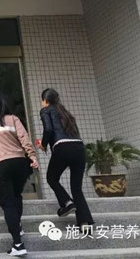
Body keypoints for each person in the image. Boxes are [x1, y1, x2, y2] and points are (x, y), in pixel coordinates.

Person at [0, 93, 39, 257]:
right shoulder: (13, 119)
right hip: (19, 163)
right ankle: (18, 225)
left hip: (0, 165)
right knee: (16, 195)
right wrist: (32, 156)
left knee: (8, 203)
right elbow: (24, 138)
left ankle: (18, 244)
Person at [39, 88, 94, 230]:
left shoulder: (45, 110)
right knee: (76, 188)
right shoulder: (66, 113)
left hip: (62, 147)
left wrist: (43, 145)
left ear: (45, 100)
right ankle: (85, 223)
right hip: (79, 147)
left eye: (42, 100)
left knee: (52, 178)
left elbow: (48, 130)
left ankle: (67, 203)